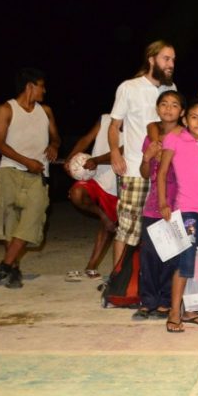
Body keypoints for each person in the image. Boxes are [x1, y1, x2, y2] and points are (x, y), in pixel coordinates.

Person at [0, 68, 61, 289]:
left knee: (32, 220)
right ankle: (13, 271)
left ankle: (3, 266)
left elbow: (56, 137)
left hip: (38, 175)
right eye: (41, 86)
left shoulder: (46, 111)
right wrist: (26, 161)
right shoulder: (6, 109)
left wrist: (54, 146)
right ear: (30, 86)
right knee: (10, 224)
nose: (44, 90)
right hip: (10, 171)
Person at [108, 40, 177, 270]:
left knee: (162, 229)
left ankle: (153, 280)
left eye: (173, 60)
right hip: (134, 170)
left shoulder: (171, 89)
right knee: (128, 229)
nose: (171, 64)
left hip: (164, 172)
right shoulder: (129, 87)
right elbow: (114, 126)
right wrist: (115, 153)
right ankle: (118, 280)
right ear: (151, 59)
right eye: (166, 58)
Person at [157, 100, 198, 333]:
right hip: (186, 212)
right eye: (194, 117)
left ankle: (190, 310)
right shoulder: (174, 139)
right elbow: (162, 172)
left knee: (196, 264)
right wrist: (163, 203)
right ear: (185, 120)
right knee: (185, 262)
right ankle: (174, 312)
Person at [133, 91, 184, 319]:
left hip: (176, 203)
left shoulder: (184, 137)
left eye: (174, 105)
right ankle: (148, 300)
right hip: (153, 204)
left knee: (171, 256)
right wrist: (147, 157)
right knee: (149, 255)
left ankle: (165, 300)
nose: (168, 109)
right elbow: (145, 173)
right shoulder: (150, 139)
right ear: (157, 108)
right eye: (164, 104)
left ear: (181, 111)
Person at [63, 114, 121, 280]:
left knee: (108, 227)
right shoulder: (105, 119)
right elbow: (86, 139)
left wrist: (97, 160)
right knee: (76, 194)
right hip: (95, 179)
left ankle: (91, 266)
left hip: (118, 185)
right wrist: (70, 159)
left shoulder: (136, 124)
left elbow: (122, 152)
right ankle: (103, 215)